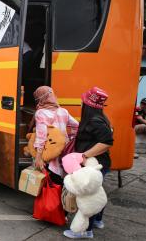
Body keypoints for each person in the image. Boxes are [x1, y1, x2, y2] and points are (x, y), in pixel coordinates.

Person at [63, 87, 113, 239]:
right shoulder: (100, 118)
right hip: (99, 164)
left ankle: (86, 230)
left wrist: (85, 155)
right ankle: (97, 220)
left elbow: (107, 142)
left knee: (88, 198)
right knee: (97, 193)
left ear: (87, 105)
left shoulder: (94, 121)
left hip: (94, 165)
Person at [33, 86, 79, 184]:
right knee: (63, 181)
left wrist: (38, 156)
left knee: (52, 183)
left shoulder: (40, 113)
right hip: (64, 149)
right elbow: (77, 126)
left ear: (40, 98)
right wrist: (69, 139)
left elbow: (42, 136)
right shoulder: (63, 111)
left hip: (50, 152)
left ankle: (53, 198)